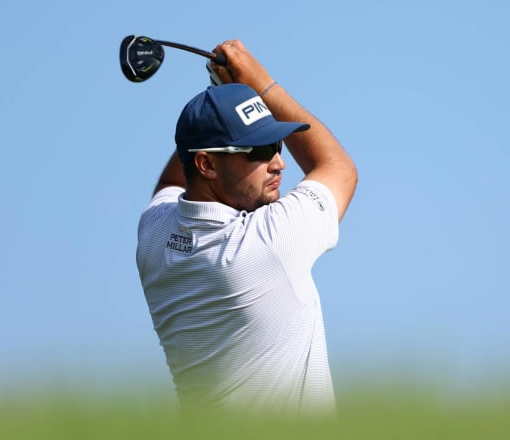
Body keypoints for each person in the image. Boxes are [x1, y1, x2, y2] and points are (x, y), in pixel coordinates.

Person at [135, 40, 358, 414]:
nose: (277, 163)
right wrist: (264, 86)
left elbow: (173, 185)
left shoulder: (154, 235)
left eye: (277, 145)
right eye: (257, 151)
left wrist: (222, 106)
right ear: (206, 165)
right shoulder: (266, 242)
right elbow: (338, 168)